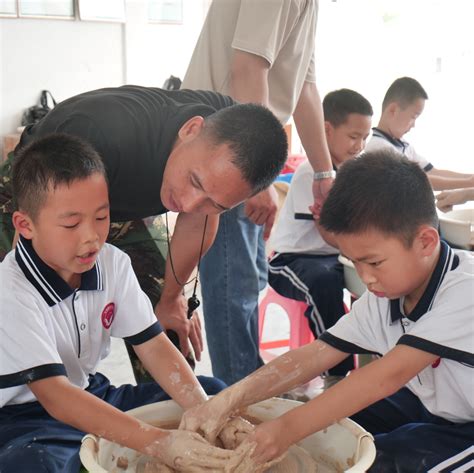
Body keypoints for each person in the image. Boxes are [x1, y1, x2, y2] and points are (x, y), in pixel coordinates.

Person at [179, 151, 474, 472]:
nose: (365, 277)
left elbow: (388, 375)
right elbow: (318, 354)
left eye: (373, 261)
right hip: (437, 405)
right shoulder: (386, 294)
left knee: (387, 459)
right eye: (354, 261)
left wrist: (286, 430)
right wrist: (229, 400)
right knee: (331, 430)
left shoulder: (464, 291)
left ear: (425, 242)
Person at [0, 85, 288, 382]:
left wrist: (171, 300)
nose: (189, 204)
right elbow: (50, 226)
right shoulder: (101, 132)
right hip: (44, 195)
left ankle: (175, 417)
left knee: (171, 332)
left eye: (215, 203)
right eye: (194, 181)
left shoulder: (239, 129)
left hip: (122, 202)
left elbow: (199, 219)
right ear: (191, 129)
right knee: (41, 336)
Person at [0, 133, 250, 473]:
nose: (91, 236)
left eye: (101, 217)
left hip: (91, 394)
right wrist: (159, 443)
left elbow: (153, 346)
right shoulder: (11, 291)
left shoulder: (111, 263)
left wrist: (205, 413)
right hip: (26, 418)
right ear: (25, 225)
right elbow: (55, 395)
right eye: (71, 223)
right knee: (36, 464)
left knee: (210, 393)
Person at [182, 0, 334, 385]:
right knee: (233, 287)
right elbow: (247, 68)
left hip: (239, 144)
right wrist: (258, 175)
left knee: (247, 281)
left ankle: (243, 389)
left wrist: (324, 171)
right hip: (223, 147)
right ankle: (235, 405)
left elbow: (305, 89)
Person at [268, 88, 373, 388]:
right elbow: (329, 234)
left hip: (333, 256)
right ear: (327, 129)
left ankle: (373, 361)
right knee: (325, 284)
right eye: (354, 136)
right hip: (291, 260)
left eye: (365, 137)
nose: (360, 145)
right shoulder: (311, 174)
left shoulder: (353, 173)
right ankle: (337, 374)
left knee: (374, 281)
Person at [366, 76, 474, 190]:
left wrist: (470, 178)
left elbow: (432, 172)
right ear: (393, 110)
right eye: (413, 117)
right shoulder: (379, 148)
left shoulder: (403, 144)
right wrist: (468, 183)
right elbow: (420, 180)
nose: (413, 125)